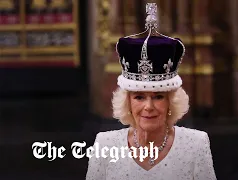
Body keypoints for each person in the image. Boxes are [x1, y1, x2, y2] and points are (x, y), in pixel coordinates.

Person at [86, 3, 217, 180]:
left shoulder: (196, 144)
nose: (149, 106)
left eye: (158, 97)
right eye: (139, 97)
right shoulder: (105, 144)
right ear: (127, 103)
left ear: (172, 101)